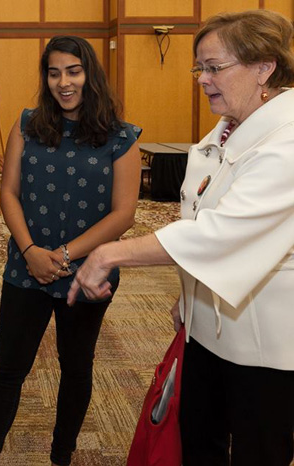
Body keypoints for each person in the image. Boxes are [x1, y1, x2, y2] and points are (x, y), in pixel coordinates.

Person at [69, 10, 294, 466]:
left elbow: (222, 234)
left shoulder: (285, 143)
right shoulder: (227, 129)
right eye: (199, 68)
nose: (202, 80)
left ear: (263, 67)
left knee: (258, 452)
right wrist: (188, 296)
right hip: (206, 329)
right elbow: (199, 214)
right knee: (197, 442)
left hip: (266, 348)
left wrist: (111, 252)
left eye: (214, 67)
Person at [0, 36, 141, 466]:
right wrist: (30, 250)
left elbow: (122, 215)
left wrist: (64, 256)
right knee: (8, 371)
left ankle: (61, 456)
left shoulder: (120, 136)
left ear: (90, 74)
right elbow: (8, 193)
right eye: (53, 72)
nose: (63, 82)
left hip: (87, 272)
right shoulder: (28, 124)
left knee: (76, 368)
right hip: (26, 266)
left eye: (73, 71)